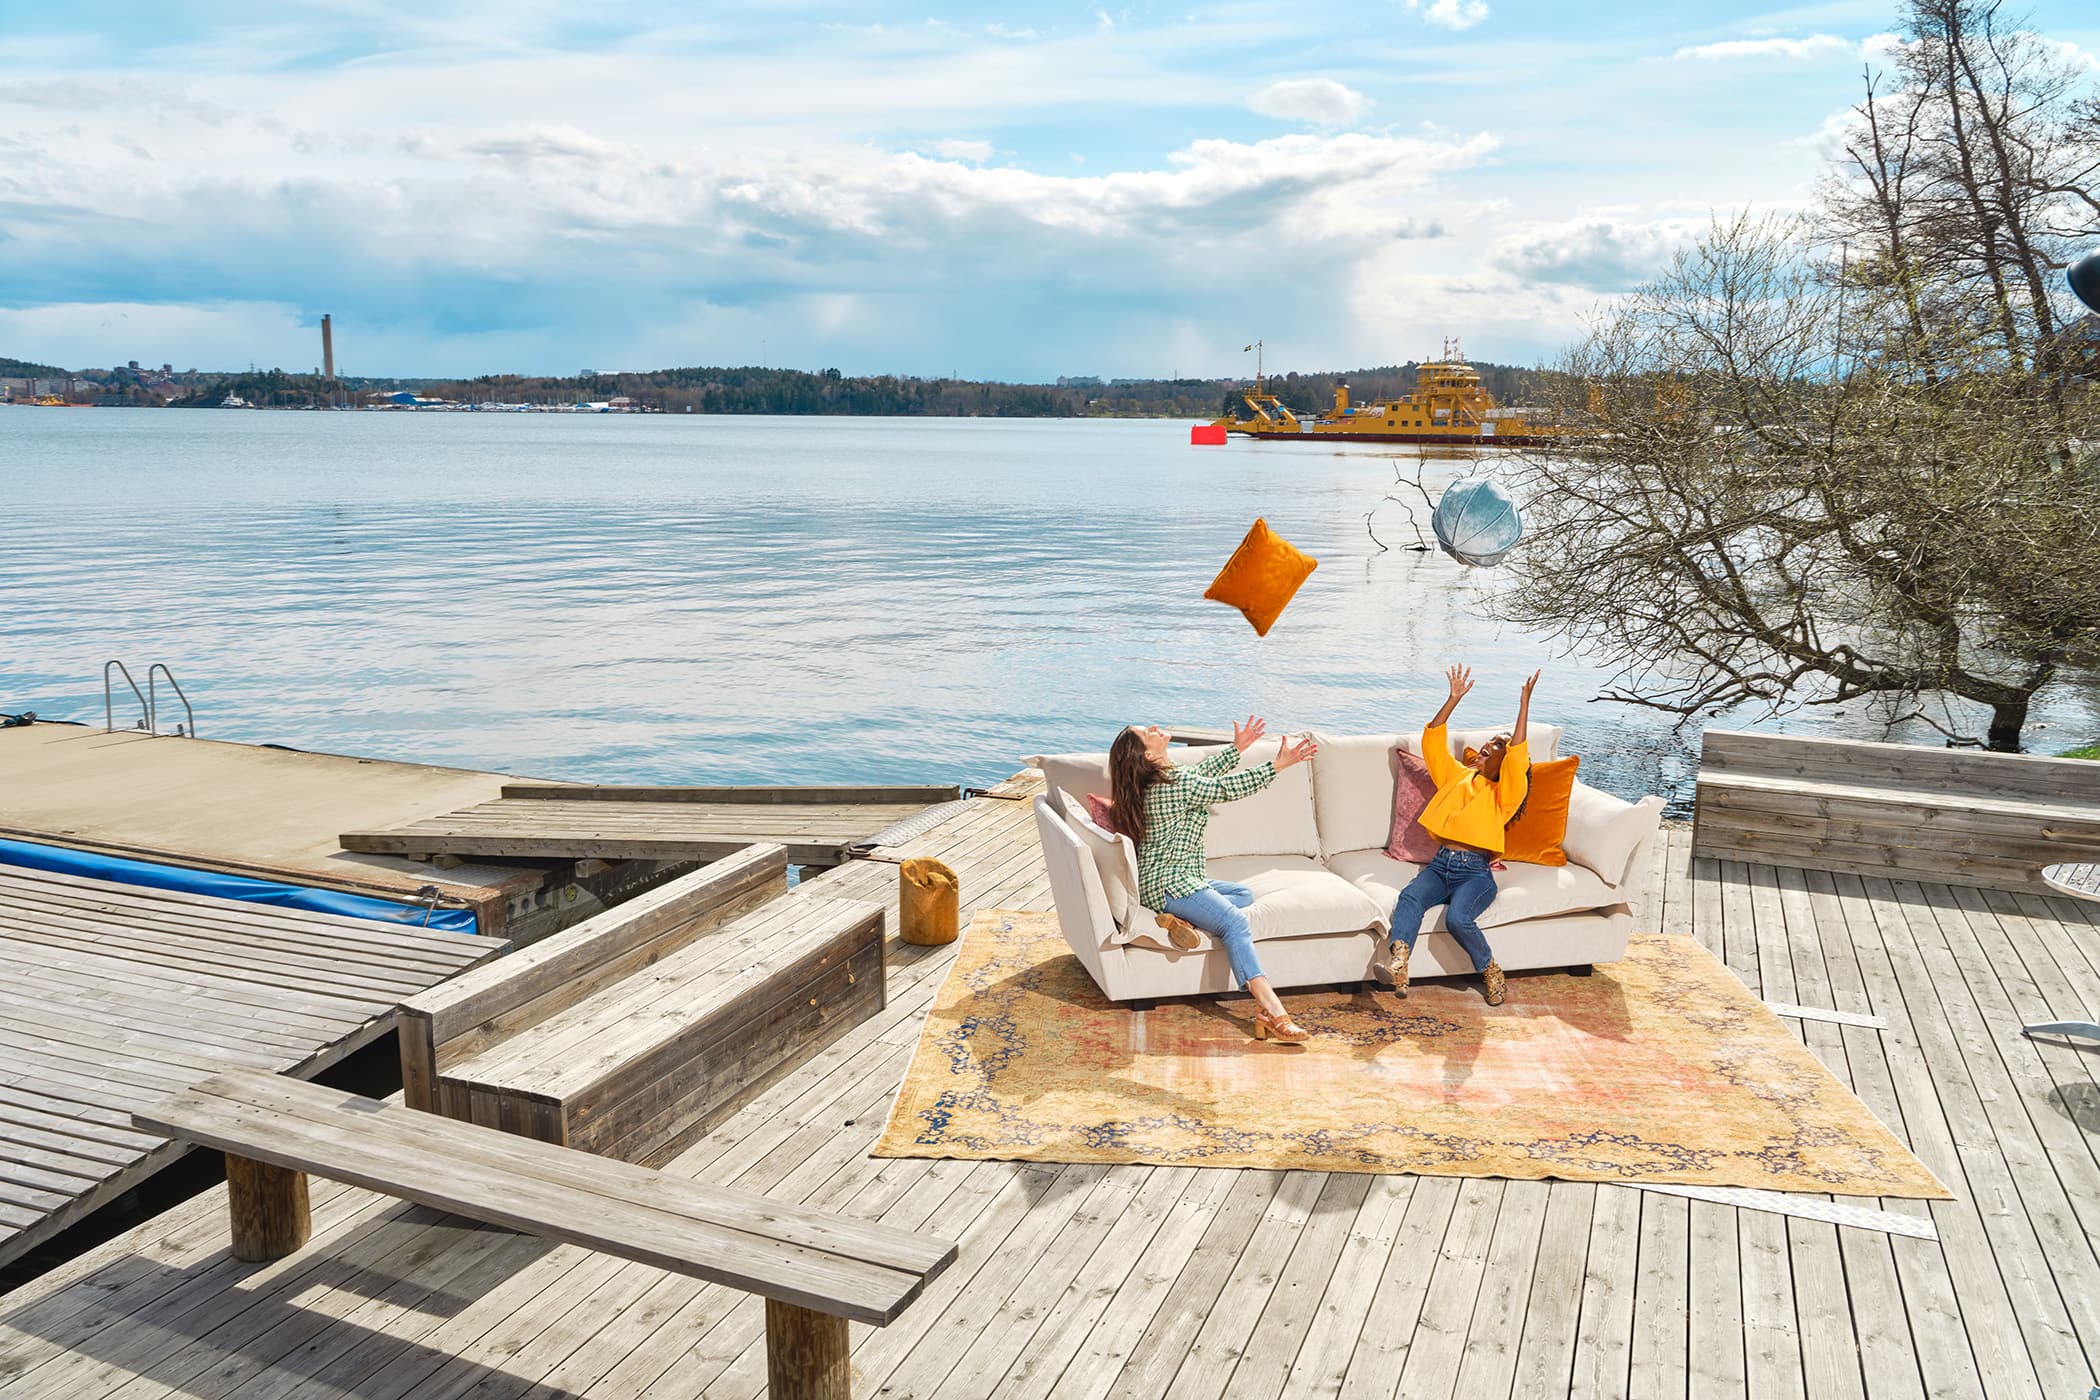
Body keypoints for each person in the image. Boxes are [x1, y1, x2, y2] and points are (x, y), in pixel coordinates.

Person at [1107, 718, 1319, 1043]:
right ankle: (1272, 1010)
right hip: (1170, 882)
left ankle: (1181, 922)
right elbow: (1224, 789)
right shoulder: (1172, 786)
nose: (1153, 728)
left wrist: (1237, 748)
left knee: (1244, 894)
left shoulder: (1168, 777)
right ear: (1148, 756)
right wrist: (1278, 765)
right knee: (1234, 923)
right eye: (1146, 734)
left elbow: (1202, 774)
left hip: (1171, 880)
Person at [1379, 666, 1539, 1005]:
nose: (1487, 745)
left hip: (1474, 875)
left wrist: (1524, 704)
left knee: (1458, 919)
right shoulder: (1457, 777)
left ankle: (1491, 972)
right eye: (1489, 741)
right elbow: (1434, 739)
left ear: (1505, 759)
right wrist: (1452, 699)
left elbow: (1518, 754)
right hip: (1440, 867)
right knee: (1409, 899)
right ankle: (1399, 963)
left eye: (1496, 746)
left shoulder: (1505, 794)